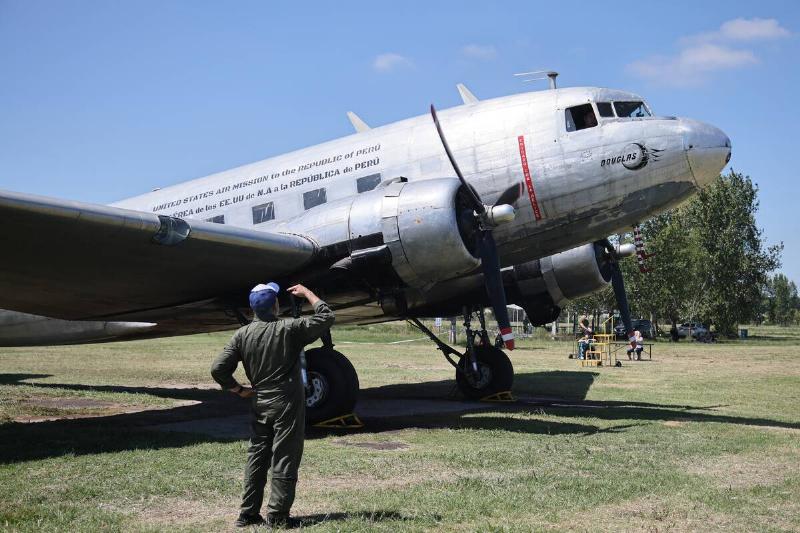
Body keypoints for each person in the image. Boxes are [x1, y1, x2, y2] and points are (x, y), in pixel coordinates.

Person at [211, 282, 335, 528]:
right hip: (287, 403)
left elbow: (218, 369)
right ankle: (278, 516)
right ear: (276, 305)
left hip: (260, 401)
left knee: (257, 456)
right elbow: (327, 316)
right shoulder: (289, 328)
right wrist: (308, 293)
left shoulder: (242, 334)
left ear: (252, 308)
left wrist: (238, 389)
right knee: (285, 456)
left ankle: (248, 514)